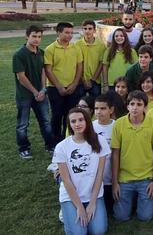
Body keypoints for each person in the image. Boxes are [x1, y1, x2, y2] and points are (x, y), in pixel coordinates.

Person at [53, 108, 110, 235]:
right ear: (69, 124)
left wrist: (92, 203)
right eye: (73, 121)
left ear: (87, 121)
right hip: (71, 195)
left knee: (98, 231)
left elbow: (99, 175)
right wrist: (79, 207)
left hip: (93, 194)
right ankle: (67, 212)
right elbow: (66, 180)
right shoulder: (62, 147)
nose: (77, 124)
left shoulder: (100, 141)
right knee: (79, 233)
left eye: (80, 120)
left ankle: (79, 215)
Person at [111, 90, 153, 222]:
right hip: (124, 178)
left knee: (145, 217)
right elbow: (115, 154)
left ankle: (138, 201)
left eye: (139, 104)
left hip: (146, 178)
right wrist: (115, 182)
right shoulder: (118, 124)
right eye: (132, 104)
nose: (135, 107)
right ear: (127, 106)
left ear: (145, 106)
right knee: (121, 217)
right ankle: (130, 201)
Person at [13, 25, 54, 158]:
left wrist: (42, 89)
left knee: (45, 121)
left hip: (40, 94)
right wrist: (35, 92)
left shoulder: (41, 53)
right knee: (23, 124)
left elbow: (43, 71)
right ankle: (23, 148)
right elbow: (21, 77)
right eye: (34, 36)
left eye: (39, 37)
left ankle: (50, 145)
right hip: (24, 96)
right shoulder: (19, 54)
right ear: (27, 36)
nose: (37, 39)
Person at [45, 22, 84, 143]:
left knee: (70, 115)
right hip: (55, 88)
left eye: (71, 33)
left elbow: (79, 67)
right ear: (58, 32)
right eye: (67, 32)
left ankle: (68, 139)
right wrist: (59, 87)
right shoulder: (50, 49)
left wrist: (74, 84)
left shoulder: (75, 47)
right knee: (57, 115)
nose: (70, 35)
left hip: (73, 87)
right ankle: (55, 141)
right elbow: (48, 70)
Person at [92, 94, 116, 211]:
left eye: (102, 108)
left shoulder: (117, 126)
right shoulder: (90, 127)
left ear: (111, 110)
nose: (98, 112)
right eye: (96, 108)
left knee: (113, 209)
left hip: (113, 178)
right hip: (96, 179)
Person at [102, 28, 138, 93]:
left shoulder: (132, 51)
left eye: (121, 36)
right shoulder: (108, 51)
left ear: (125, 37)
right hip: (112, 83)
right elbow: (105, 68)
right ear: (113, 38)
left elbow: (136, 67)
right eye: (116, 36)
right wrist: (105, 84)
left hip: (127, 83)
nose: (119, 38)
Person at [76, 20, 106, 97]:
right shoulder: (77, 45)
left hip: (95, 81)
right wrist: (83, 79)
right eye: (85, 29)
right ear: (82, 30)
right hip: (81, 81)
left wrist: (92, 80)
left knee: (96, 104)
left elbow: (101, 64)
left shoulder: (101, 45)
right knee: (80, 104)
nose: (87, 31)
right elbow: (77, 64)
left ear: (94, 30)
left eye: (90, 28)